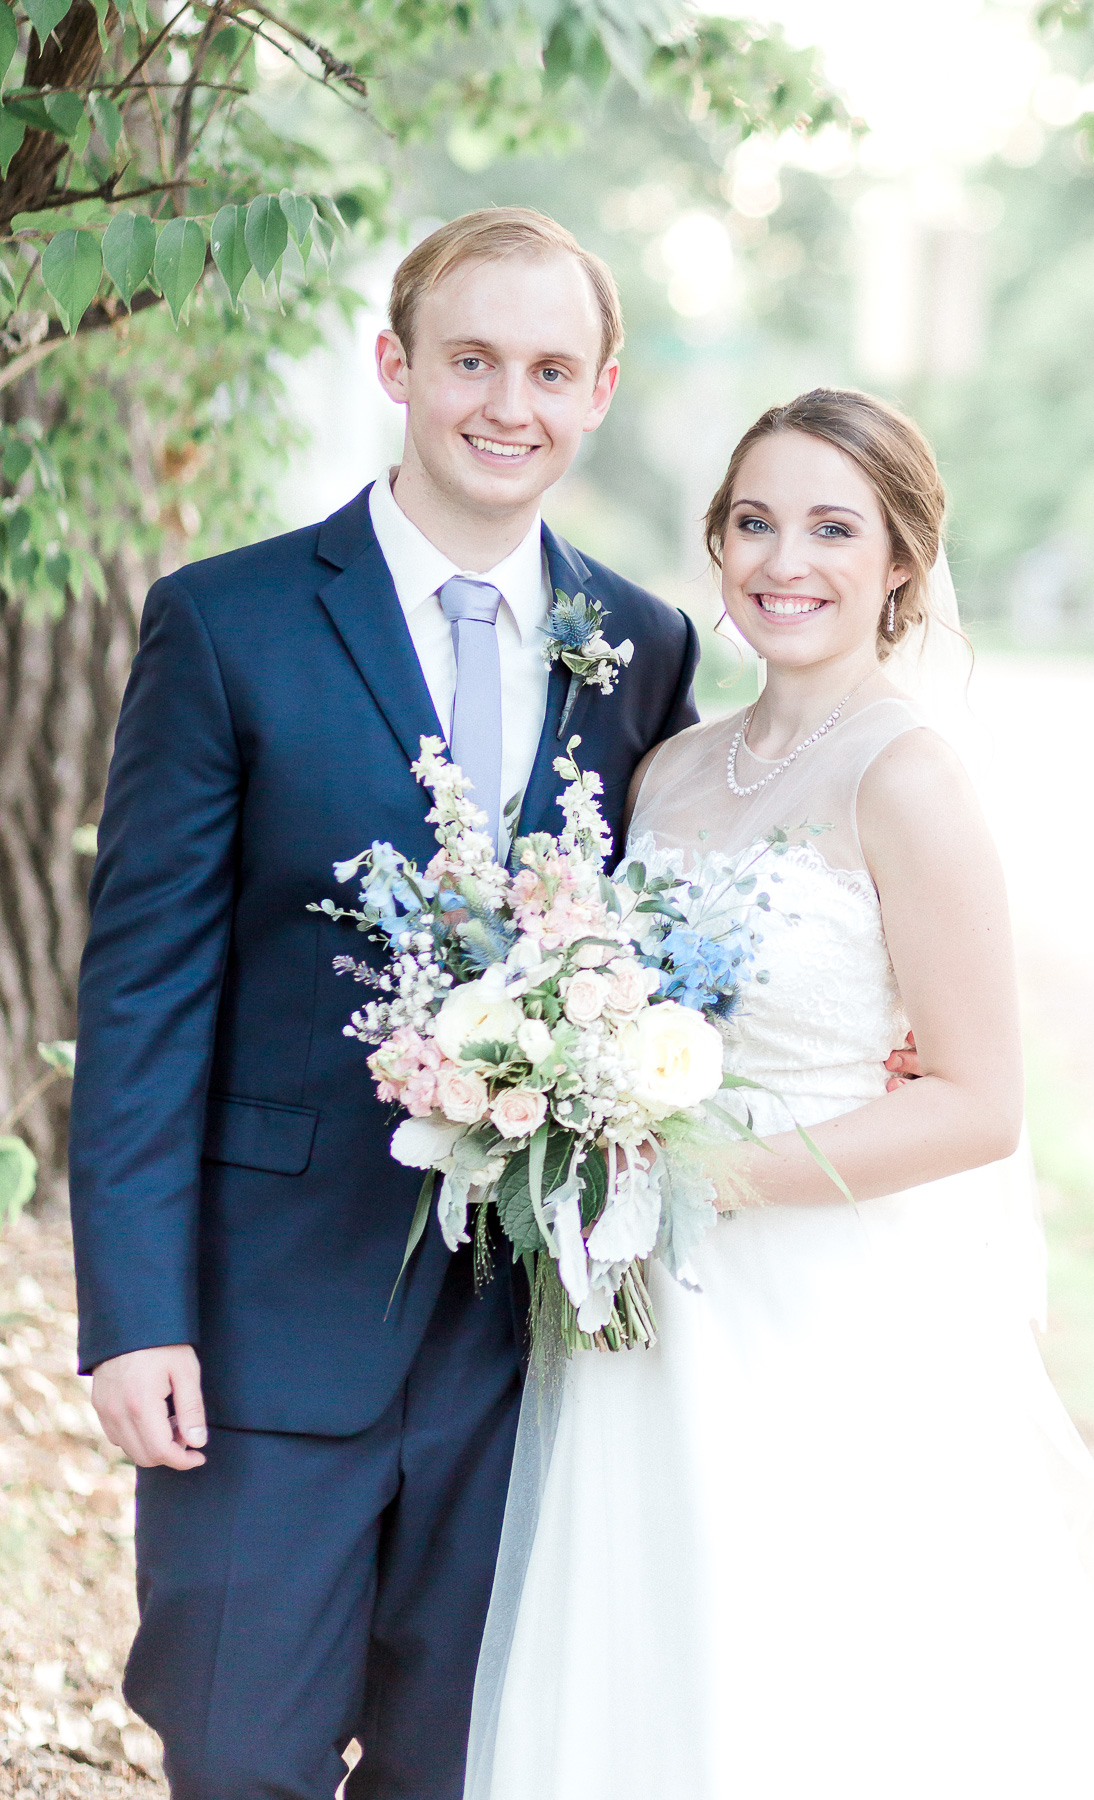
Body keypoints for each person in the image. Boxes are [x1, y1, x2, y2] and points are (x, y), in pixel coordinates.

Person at [67, 207, 699, 1800]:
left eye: (551, 368)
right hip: (262, 1329)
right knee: (239, 1756)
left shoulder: (642, 646)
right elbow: (144, 988)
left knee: (462, 1769)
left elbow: (672, 943)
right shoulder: (228, 619)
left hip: (529, 1347)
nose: (509, 403)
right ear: (393, 365)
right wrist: (137, 1311)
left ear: (601, 387)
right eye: (470, 358)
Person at [464, 388, 1094, 1800]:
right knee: (649, 1666)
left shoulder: (907, 774)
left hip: (831, 1313)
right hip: (646, 1325)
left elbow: (977, 1101)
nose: (786, 560)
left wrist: (690, 1173)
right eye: (754, 523)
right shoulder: (668, 772)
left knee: (820, 1689)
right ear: (717, 547)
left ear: (899, 560)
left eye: (832, 527)